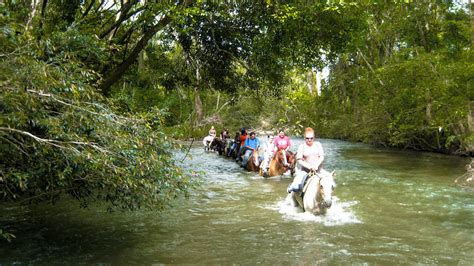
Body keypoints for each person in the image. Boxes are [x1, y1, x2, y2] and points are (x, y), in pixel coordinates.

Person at [287, 127, 324, 193]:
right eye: (307, 138)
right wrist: (310, 167)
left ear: (314, 137)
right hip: (305, 171)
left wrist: (316, 165)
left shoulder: (318, 145)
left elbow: (321, 157)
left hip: (319, 170)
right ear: (304, 138)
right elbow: (299, 160)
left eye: (311, 138)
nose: (309, 140)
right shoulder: (302, 146)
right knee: (295, 187)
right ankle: (290, 189)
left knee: (331, 182)